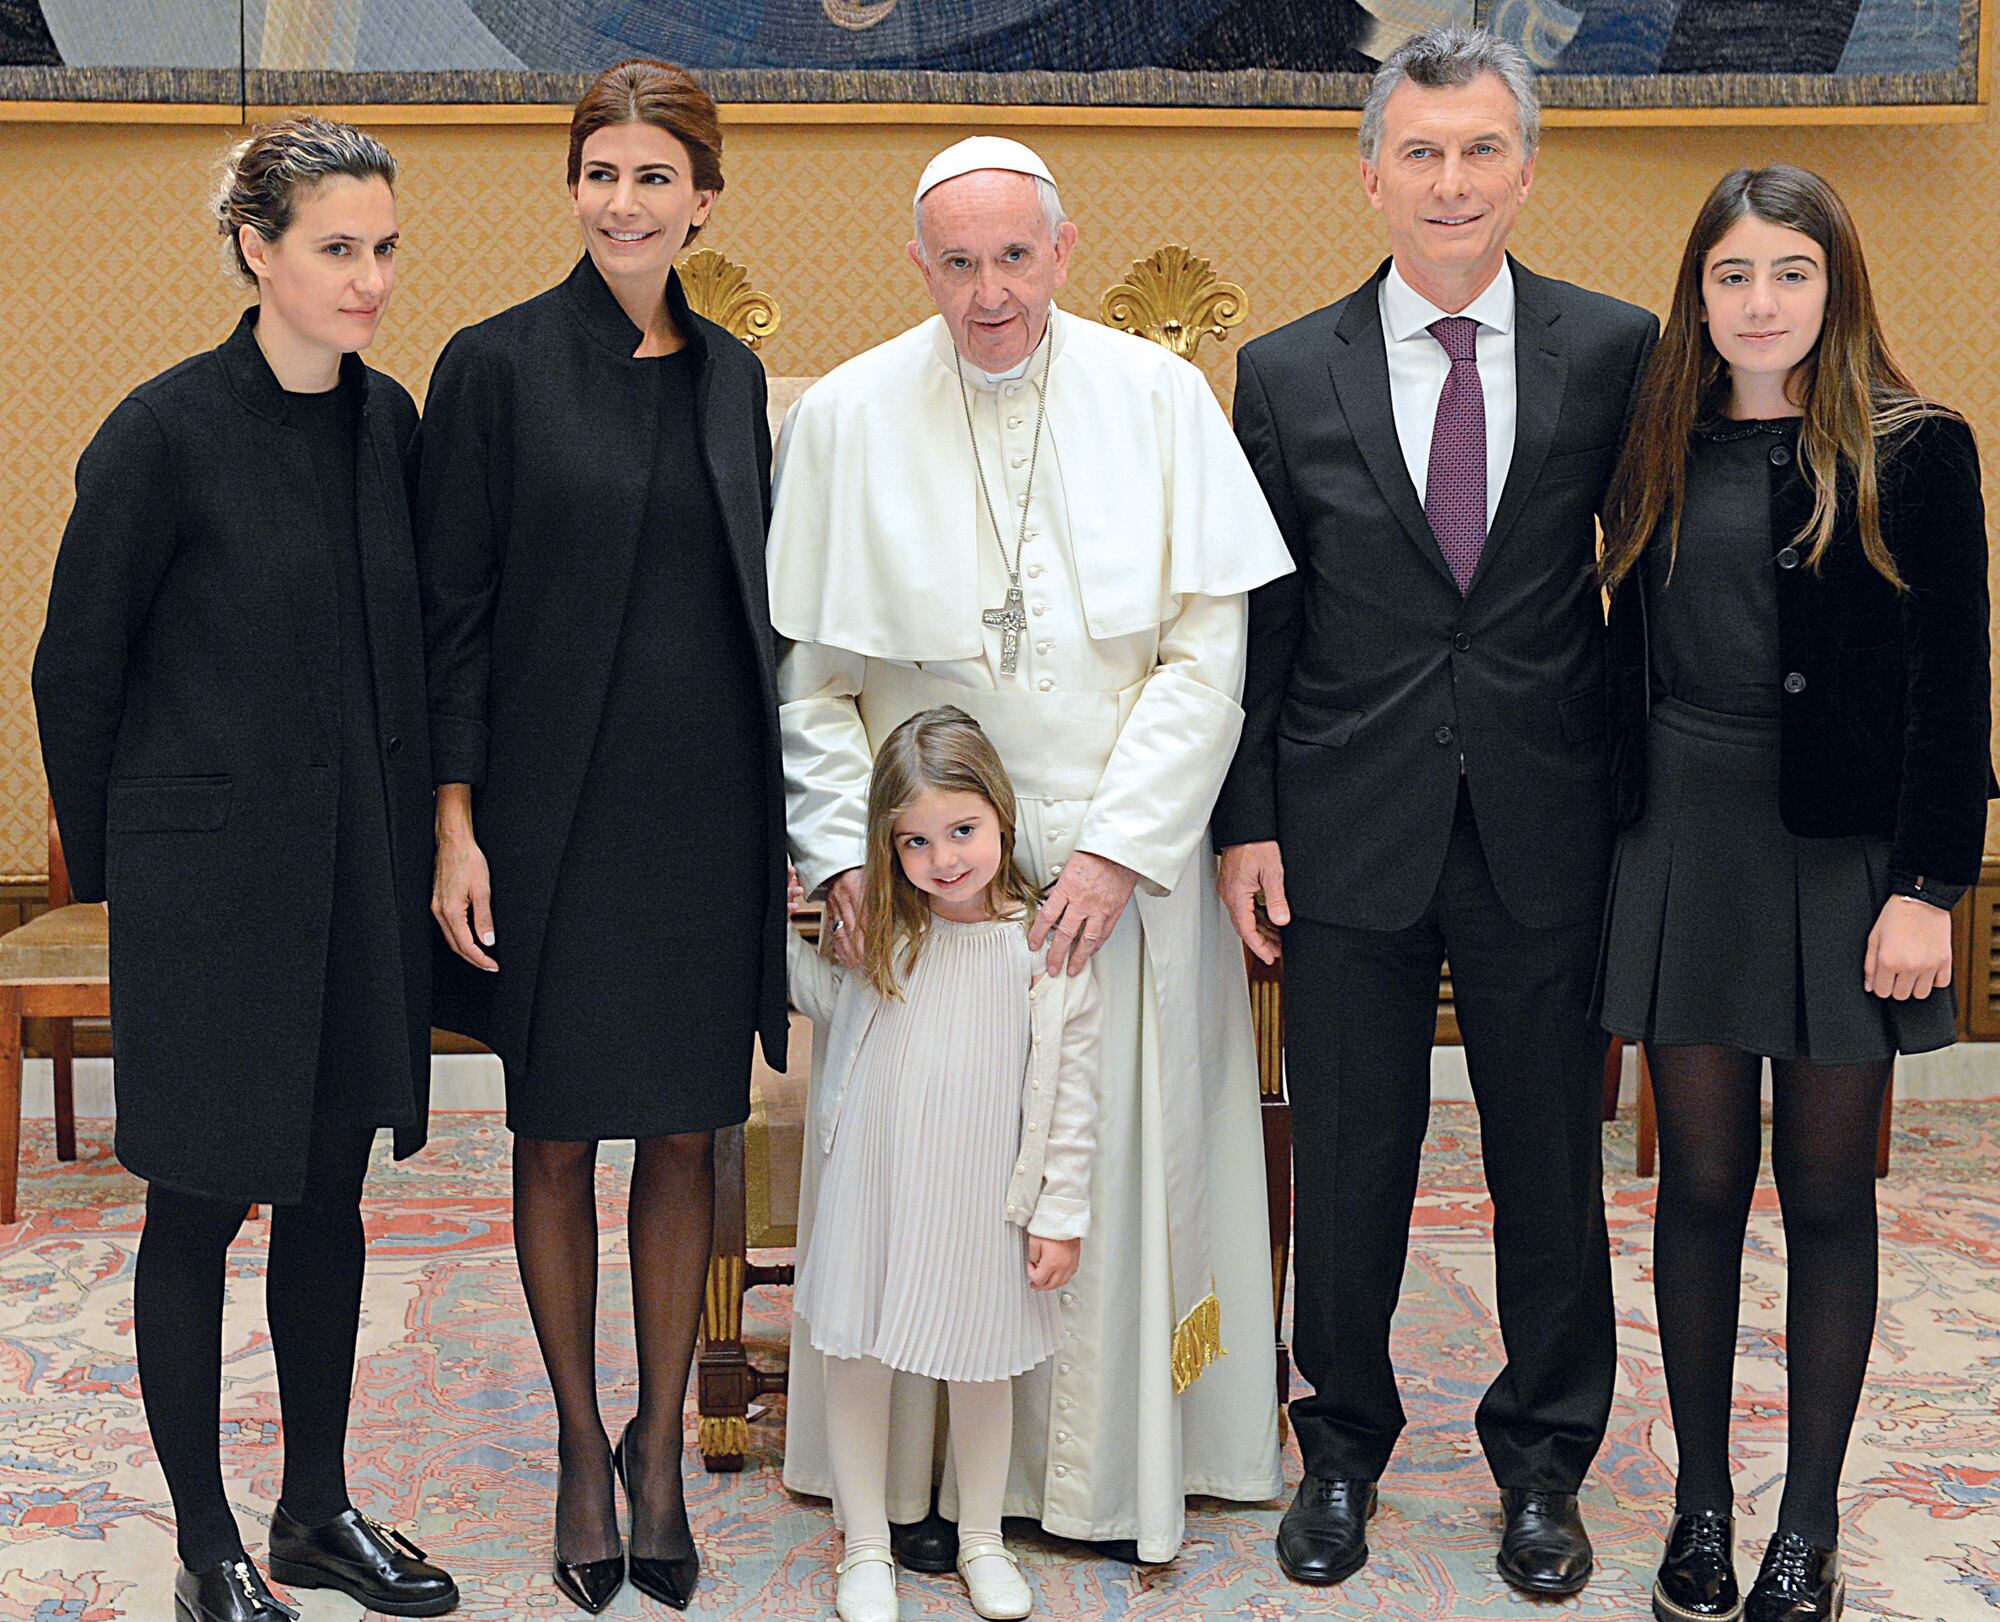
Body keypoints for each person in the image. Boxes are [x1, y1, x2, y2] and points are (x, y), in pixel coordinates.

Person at [770, 135, 1292, 1564]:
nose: (988, 291)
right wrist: (847, 863)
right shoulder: (850, 416)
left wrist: (1118, 851)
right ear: (919, 263)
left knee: (1096, 1169)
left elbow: (1207, 652)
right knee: (926, 1165)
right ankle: (921, 1489)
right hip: (926, 882)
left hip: (1110, 881)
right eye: (958, 261)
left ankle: (1102, 1477)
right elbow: (814, 684)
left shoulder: (1160, 398)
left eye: (1014, 256)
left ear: (1063, 250)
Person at [1213, 25, 1660, 1597]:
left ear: (1526, 168)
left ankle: (1544, 1462)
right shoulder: (1283, 370)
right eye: (1423, 151)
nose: (1453, 180)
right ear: (1371, 174)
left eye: (1482, 150)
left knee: (1550, 1156)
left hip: (1551, 819)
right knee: (1348, 1158)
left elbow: (1654, 594)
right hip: (1346, 822)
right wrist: (1245, 818)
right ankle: (1338, 1448)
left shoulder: (1620, 350)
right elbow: (1257, 621)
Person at [33, 118, 457, 1622]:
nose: (369, 278)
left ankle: (313, 1508)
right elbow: (71, 673)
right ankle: (206, 1543)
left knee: (332, 1194)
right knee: (197, 1207)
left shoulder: (387, 423)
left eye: (384, 247)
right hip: (208, 902)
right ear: (256, 251)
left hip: (356, 886)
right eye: (338, 248)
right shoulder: (160, 435)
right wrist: (138, 873)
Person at [416, 60, 789, 1615]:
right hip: (548, 818)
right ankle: (582, 1445)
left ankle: (656, 1448)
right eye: (601, 172)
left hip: (702, 815)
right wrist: (453, 820)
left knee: (689, 1131)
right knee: (558, 1130)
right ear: (573, 187)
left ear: (704, 198)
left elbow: (755, 611)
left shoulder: (732, 375)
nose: (624, 200)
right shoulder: (491, 366)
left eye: (655, 176)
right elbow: (453, 617)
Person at [1597, 165, 1992, 1622]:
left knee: (1827, 1192)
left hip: (1845, 863)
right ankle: (1701, 1505)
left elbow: (1957, 692)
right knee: (1694, 1183)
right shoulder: (1655, 443)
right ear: (1698, 295)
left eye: (1790, 273)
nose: (1760, 302)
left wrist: (1930, 887)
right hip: (1683, 845)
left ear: (1838, 288)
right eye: (1732, 275)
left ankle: (1806, 1527)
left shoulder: (1919, 449)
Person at [785, 706, 1099, 1622]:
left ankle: (983, 1540)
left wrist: (1061, 1212)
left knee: (983, 1364)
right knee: (857, 1358)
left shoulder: (1043, 946)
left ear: (1001, 814)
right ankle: (867, 1547)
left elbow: (1072, 1097)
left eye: (962, 830)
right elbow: (820, 1003)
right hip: (876, 1187)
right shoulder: (884, 935)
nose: (944, 858)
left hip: (980, 1199)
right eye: (916, 841)